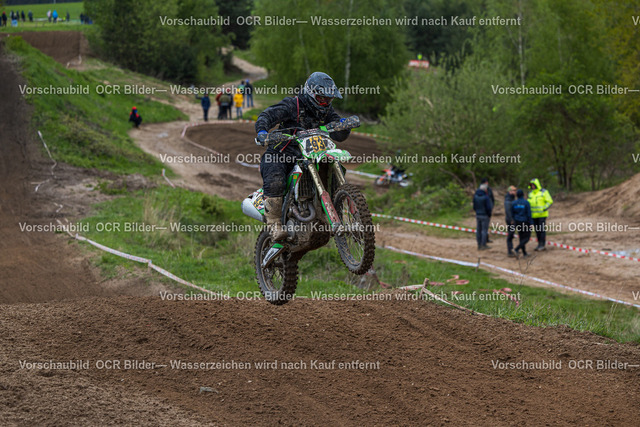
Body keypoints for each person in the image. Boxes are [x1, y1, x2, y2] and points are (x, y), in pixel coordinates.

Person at [254, 71, 351, 240]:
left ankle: (335, 213)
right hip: (283, 153)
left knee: (333, 166)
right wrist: (262, 132)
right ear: (311, 94)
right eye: (322, 99)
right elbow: (267, 115)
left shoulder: (327, 111)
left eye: (328, 99)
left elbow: (338, 134)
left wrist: (344, 126)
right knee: (276, 178)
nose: (325, 103)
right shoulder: (293, 105)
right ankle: (275, 224)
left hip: (311, 154)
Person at [528, 178, 553, 251]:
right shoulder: (530, 193)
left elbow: (549, 201)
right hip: (533, 215)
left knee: (541, 230)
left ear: (536, 184)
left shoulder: (544, 192)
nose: (532, 186)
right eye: (531, 185)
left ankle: (542, 244)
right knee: (537, 230)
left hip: (542, 215)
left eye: (533, 185)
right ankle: (539, 244)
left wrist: (544, 208)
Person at [512, 189, 533, 258]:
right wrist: (531, 223)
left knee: (521, 237)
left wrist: (514, 220)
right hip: (525, 222)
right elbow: (529, 214)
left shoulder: (514, 203)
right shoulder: (526, 202)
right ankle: (516, 249)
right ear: (523, 195)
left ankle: (524, 253)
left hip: (517, 221)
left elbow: (512, 213)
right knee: (527, 237)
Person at [473, 182, 493, 250]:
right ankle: (483, 244)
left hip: (478, 214)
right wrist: (489, 214)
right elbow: (488, 208)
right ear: (485, 189)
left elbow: (474, 206)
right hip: (484, 215)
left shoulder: (475, 196)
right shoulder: (486, 197)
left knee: (478, 230)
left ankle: (479, 244)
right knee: (484, 230)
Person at [480, 177, 495, 242]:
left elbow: (492, 199)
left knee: (486, 226)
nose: (487, 183)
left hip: (488, 210)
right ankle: (482, 240)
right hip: (482, 211)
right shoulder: (480, 190)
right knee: (482, 226)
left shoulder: (489, 190)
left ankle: (486, 238)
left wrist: (491, 207)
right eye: (486, 182)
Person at [504, 185, 517, 257]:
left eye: (515, 190)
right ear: (510, 191)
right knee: (510, 235)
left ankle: (511, 249)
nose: (515, 192)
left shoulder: (512, 199)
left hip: (512, 219)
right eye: (513, 191)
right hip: (510, 220)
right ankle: (510, 251)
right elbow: (508, 211)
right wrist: (511, 219)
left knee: (511, 235)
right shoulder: (508, 200)